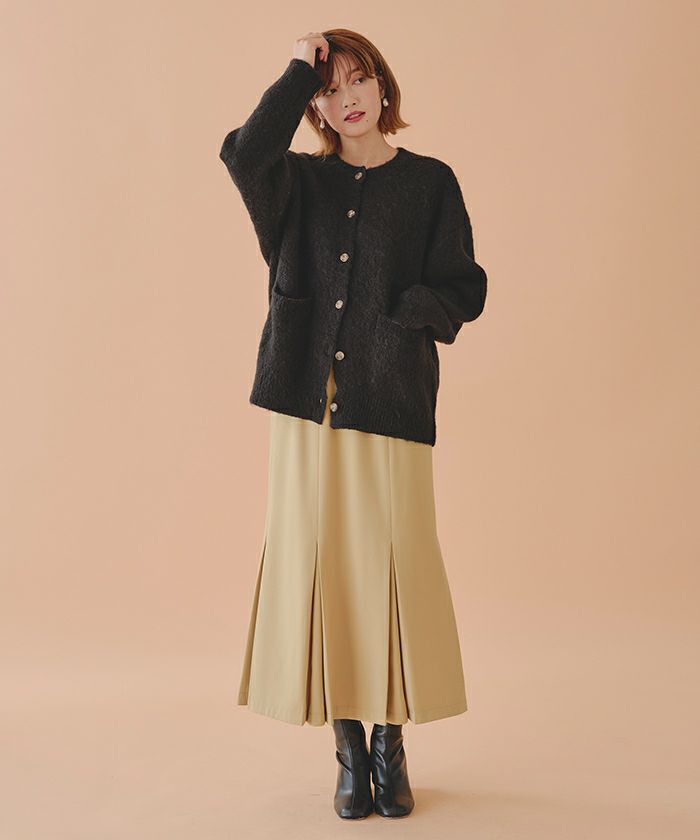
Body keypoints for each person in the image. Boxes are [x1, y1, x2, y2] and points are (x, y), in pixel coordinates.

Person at [218, 28, 488, 820]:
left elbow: (465, 285)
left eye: (359, 79)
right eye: (330, 89)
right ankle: (346, 749)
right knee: (324, 571)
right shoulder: (294, 184)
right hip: (307, 404)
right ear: (316, 108)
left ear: (382, 85)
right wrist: (296, 69)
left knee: (393, 568)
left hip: (392, 398)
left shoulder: (430, 183)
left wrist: (407, 314)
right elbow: (243, 153)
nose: (349, 98)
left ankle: (389, 745)